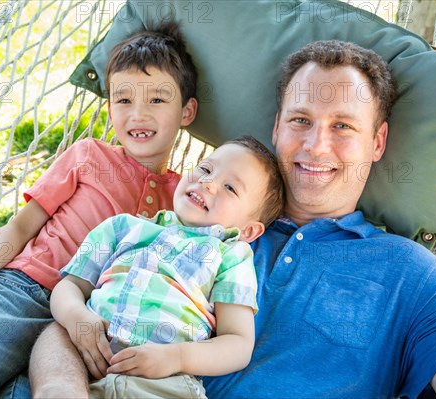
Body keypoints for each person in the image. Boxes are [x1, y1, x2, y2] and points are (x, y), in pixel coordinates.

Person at [0, 22, 198, 399]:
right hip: (24, 293)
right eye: (124, 100)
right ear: (110, 108)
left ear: (187, 111)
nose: (138, 114)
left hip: (90, 327)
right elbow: (22, 225)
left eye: (157, 100)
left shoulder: (185, 197)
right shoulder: (89, 156)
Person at [200, 40, 436, 398]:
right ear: (277, 128)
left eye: (342, 126)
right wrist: (96, 321)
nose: (315, 146)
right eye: (301, 120)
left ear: (377, 142)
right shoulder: (206, 221)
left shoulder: (412, 275)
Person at [32, 136, 284, 398]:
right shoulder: (122, 227)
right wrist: (76, 317)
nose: (207, 183)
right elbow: (70, 285)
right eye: (206, 169)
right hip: (87, 357)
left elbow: (237, 344)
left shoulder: (230, 256)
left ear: (249, 230)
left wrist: (177, 357)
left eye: (230, 187)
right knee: (54, 337)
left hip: (163, 381)